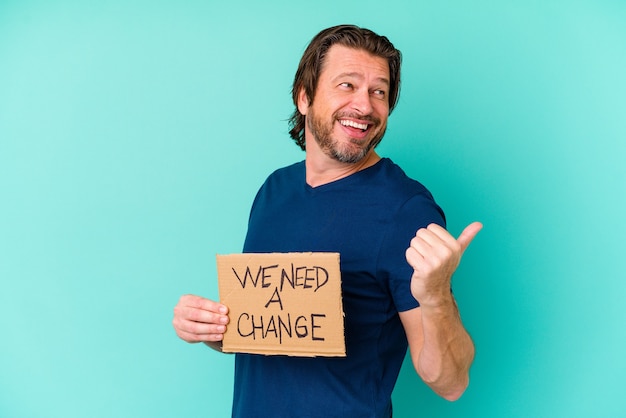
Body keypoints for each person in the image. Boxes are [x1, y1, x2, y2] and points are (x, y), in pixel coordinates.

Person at [172, 24, 482, 418]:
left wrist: (435, 294)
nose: (365, 106)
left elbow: (451, 383)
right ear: (305, 97)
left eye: (379, 92)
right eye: (347, 85)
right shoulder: (273, 192)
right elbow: (271, 332)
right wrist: (210, 329)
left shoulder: (407, 210)